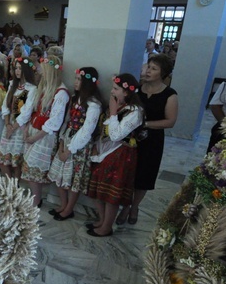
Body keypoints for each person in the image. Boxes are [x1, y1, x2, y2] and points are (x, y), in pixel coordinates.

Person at [119, 54, 178, 225]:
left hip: (152, 140)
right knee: (129, 173)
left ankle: (134, 206)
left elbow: (170, 121)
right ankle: (125, 205)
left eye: (154, 68)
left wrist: (144, 124)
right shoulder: (137, 89)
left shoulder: (169, 94)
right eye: (148, 67)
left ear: (163, 73)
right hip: (132, 138)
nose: (148, 71)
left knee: (144, 176)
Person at [86, 74, 144, 237]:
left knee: (111, 193)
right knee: (99, 188)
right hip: (105, 151)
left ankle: (106, 227)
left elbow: (116, 135)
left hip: (121, 154)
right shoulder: (120, 106)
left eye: (116, 89)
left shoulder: (135, 111)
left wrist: (112, 112)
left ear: (126, 92)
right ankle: (103, 221)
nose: (112, 92)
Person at [48, 67, 103, 221]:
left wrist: (70, 149)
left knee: (74, 179)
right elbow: (67, 121)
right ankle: (63, 204)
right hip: (67, 137)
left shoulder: (93, 104)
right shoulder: (74, 98)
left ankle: (69, 208)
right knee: (59, 172)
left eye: (79, 79)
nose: (76, 82)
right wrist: (61, 142)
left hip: (79, 145)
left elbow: (87, 130)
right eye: (76, 79)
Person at [21, 56, 69, 207]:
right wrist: (27, 129)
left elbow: (54, 121)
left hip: (44, 136)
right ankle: (35, 198)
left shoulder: (61, 93)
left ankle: (36, 200)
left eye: (43, 69)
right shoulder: (44, 87)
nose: (40, 71)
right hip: (34, 130)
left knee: (35, 169)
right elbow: (34, 110)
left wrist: (35, 137)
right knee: (30, 168)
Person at [0, 58, 37, 178]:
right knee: (2, 160)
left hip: (20, 127)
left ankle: (15, 185)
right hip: (9, 124)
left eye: (20, 68)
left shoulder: (32, 89)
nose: (17, 71)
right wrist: (7, 124)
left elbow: (27, 111)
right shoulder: (12, 85)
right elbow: (5, 105)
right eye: (16, 68)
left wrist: (13, 127)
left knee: (16, 162)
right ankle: (10, 184)